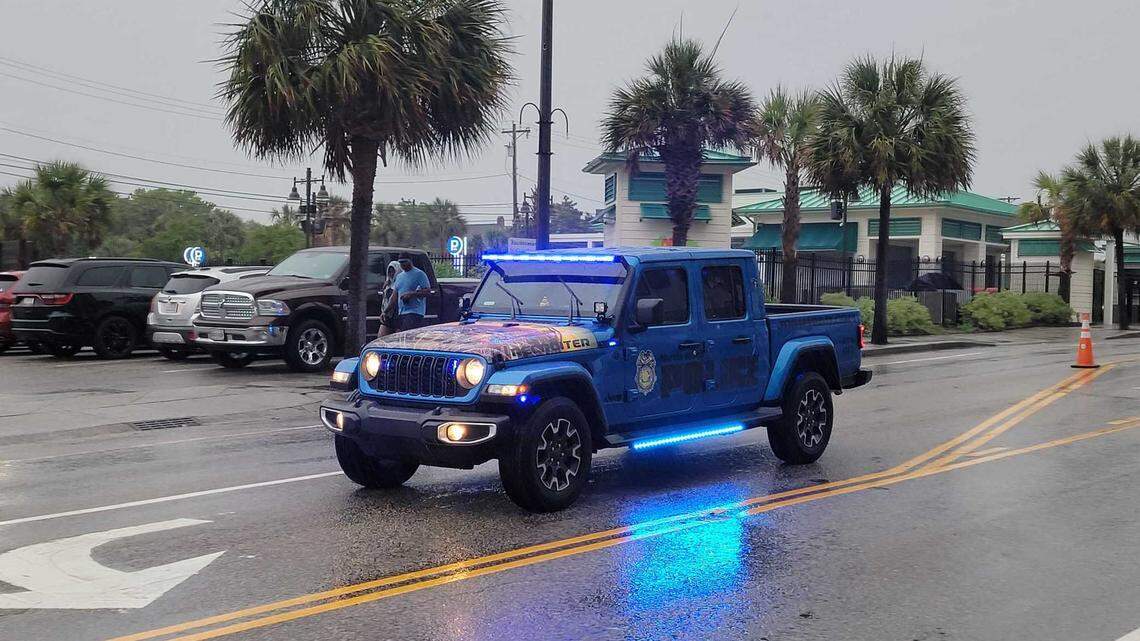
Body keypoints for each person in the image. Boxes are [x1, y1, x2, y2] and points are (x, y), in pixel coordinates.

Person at [392, 254, 431, 331]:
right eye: (400, 262)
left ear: (410, 261)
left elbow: (427, 291)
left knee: (407, 334)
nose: (402, 264)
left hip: (415, 312)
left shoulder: (419, 274)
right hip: (402, 312)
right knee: (401, 336)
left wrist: (411, 294)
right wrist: (386, 311)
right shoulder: (399, 276)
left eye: (404, 262)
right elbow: (394, 296)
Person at [377, 260, 401, 337]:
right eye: (389, 272)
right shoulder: (388, 284)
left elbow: (394, 300)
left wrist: (385, 311)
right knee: (381, 337)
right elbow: (385, 300)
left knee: (398, 338)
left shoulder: (400, 283)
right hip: (388, 315)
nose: (391, 274)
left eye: (393, 271)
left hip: (398, 314)